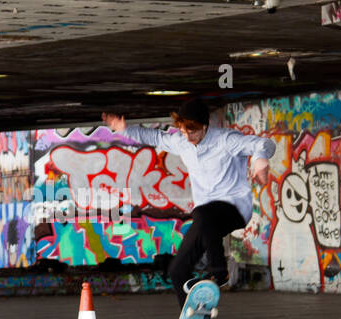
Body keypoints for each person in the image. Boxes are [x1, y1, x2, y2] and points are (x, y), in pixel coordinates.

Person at [103, 98, 275, 305]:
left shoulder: (226, 140)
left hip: (234, 208)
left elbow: (262, 143)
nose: (188, 137)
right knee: (177, 270)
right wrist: (124, 129)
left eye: (192, 131)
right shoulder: (182, 141)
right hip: (206, 218)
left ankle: (220, 273)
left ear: (204, 126)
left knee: (203, 213)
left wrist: (260, 160)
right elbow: (156, 137)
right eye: (184, 131)